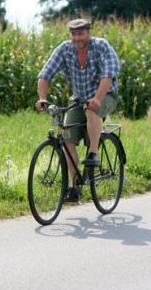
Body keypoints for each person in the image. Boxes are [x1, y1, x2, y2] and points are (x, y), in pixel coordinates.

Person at [35, 18, 121, 202]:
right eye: (74, 34)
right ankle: (74, 187)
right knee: (67, 138)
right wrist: (42, 98)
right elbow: (45, 74)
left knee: (91, 111)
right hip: (79, 98)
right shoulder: (65, 49)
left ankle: (93, 155)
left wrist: (97, 99)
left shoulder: (101, 47)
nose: (77, 38)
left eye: (80, 34)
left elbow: (109, 75)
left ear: (88, 33)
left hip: (106, 95)